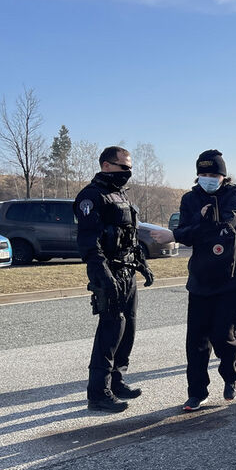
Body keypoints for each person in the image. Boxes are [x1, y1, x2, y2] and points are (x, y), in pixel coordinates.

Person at [151, 149, 236, 412]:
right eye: (203, 174)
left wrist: (186, 232)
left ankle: (231, 376)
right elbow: (184, 231)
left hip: (232, 278)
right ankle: (196, 392)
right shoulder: (190, 199)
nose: (208, 179)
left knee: (224, 336)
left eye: (213, 174)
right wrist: (197, 221)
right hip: (201, 279)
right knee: (196, 341)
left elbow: (224, 226)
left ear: (223, 176)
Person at [73, 146, 155, 413]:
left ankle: (117, 380)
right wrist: (104, 275)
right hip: (108, 273)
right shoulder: (91, 196)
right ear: (106, 166)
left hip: (127, 272)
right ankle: (98, 393)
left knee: (127, 328)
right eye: (124, 167)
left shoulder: (120, 194)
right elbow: (88, 242)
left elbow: (129, 235)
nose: (128, 173)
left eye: (130, 168)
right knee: (110, 331)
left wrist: (142, 264)